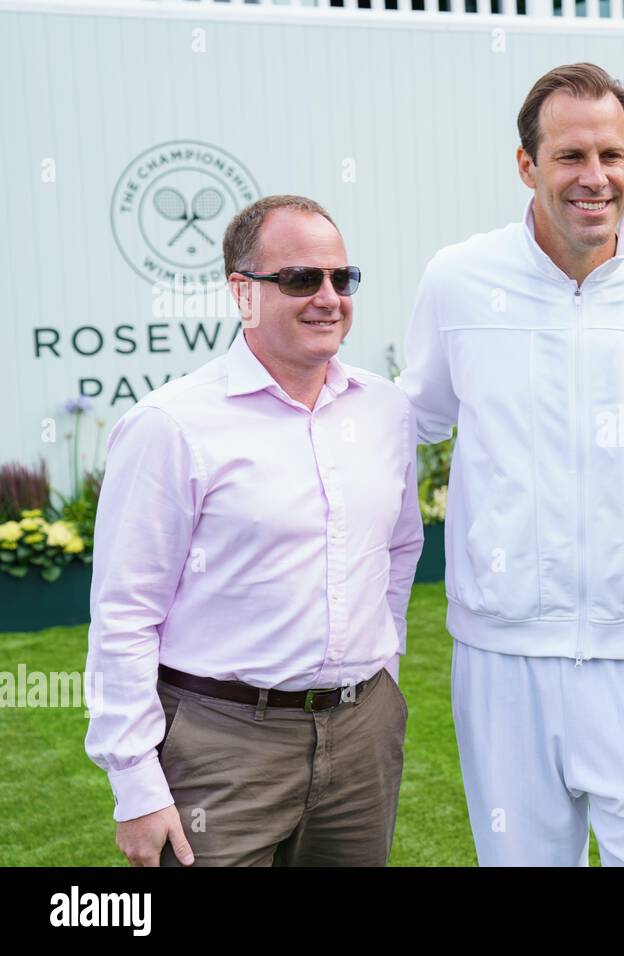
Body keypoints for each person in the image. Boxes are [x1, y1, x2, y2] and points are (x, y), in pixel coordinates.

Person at [398, 63, 624, 866]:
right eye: (570, 157)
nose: (596, 178)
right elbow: (409, 422)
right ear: (527, 165)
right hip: (502, 654)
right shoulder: (459, 279)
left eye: (612, 156)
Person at [85, 195, 422, 867]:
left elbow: (398, 547)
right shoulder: (171, 425)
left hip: (363, 735)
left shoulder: (385, 411)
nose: (328, 297)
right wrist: (135, 784)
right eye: (300, 279)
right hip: (219, 743)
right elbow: (124, 612)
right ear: (242, 293)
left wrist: (377, 670)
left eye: (341, 278)